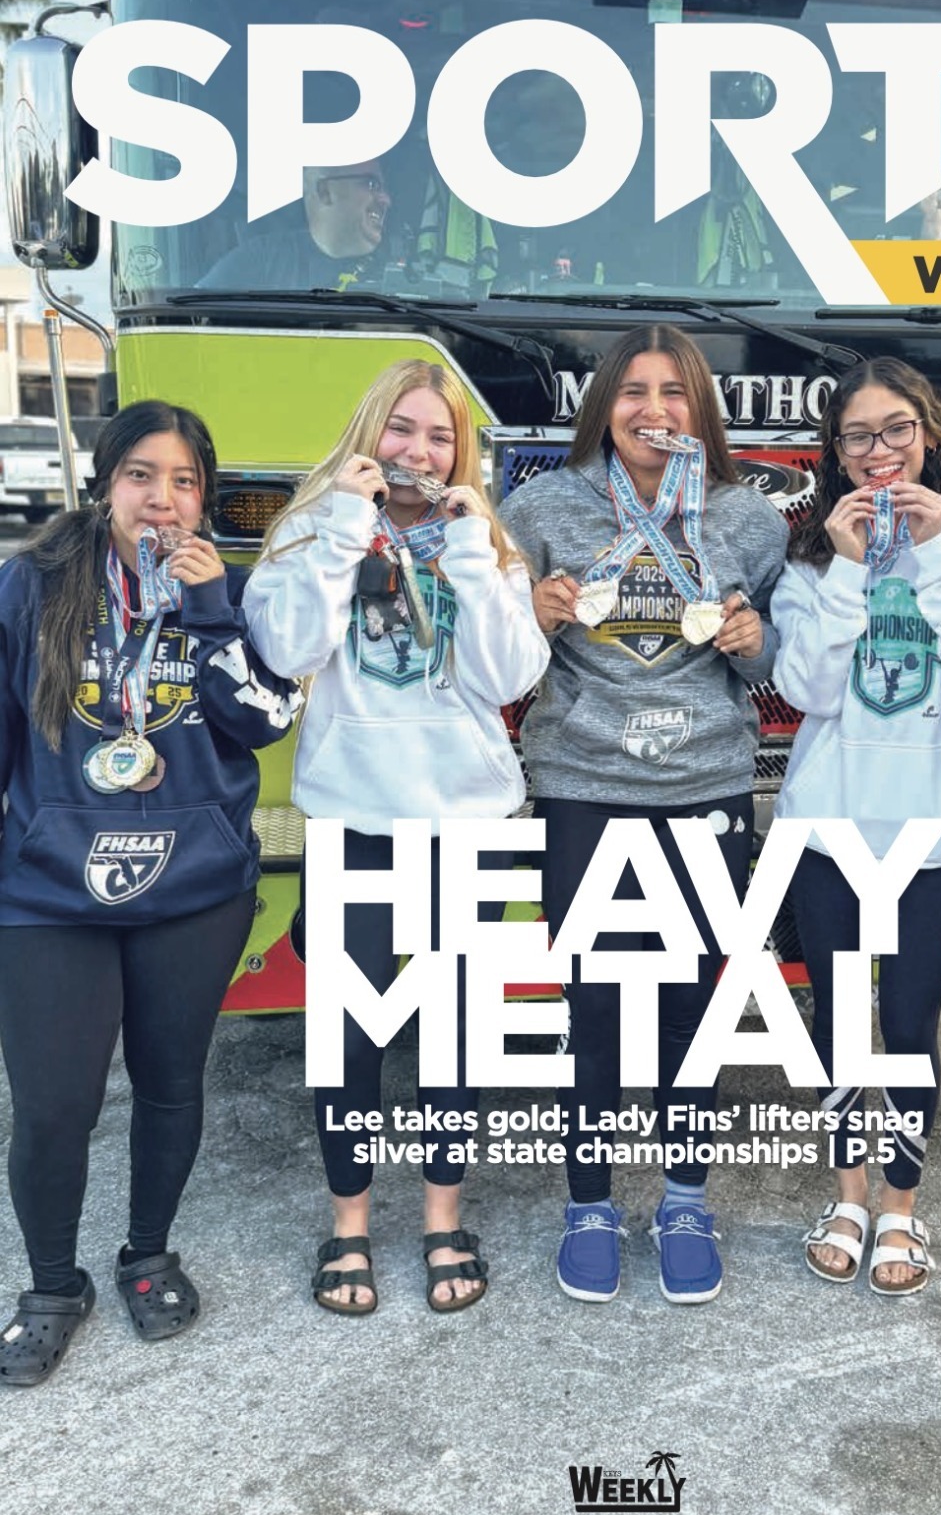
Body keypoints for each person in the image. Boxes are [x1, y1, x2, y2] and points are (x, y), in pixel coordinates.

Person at [0, 402, 303, 1386]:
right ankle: (52, 1285)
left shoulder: (234, 592)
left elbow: (264, 719)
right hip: (51, 888)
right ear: (104, 486)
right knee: (54, 1102)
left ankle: (147, 1254)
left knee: (173, 1082)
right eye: (141, 475)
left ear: (204, 499)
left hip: (193, 887)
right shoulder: (36, 582)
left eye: (183, 481)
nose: (162, 499)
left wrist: (212, 610)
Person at [243, 360, 549, 1316]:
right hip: (356, 819)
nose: (419, 452)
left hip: (468, 822)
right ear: (371, 433)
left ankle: (443, 1218)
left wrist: (466, 542)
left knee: (456, 1034)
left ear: (463, 454)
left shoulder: (484, 546)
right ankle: (350, 1226)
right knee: (351, 1035)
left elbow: (508, 674)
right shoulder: (310, 534)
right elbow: (288, 653)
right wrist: (340, 526)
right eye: (403, 430)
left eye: (441, 436)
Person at [500, 324, 789, 1306]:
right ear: (602, 404)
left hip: (704, 784)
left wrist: (753, 640)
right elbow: (504, 659)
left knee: (692, 1010)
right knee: (593, 1005)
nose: (653, 409)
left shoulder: (749, 519)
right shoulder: (541, 507)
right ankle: (588, 1202)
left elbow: (768, 664)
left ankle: (682, 1198)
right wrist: (528, 616)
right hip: (584, 784)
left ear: (700, 408)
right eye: (633, 390)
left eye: (673, 391)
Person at [771, 358, 941, 1295]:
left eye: (897, 431)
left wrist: (936, 553)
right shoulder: (808, 558)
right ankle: (846, 1195)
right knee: (839, 1023)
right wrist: (844, 565)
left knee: (911, 1025)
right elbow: (806, 689)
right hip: (830, 831)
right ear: (834, 454)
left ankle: (903, 1207)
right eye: (858, 436)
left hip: (933, 833)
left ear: (930, 436)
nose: (880, 453)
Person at [199, 160, 392, 291]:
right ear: (325, 191)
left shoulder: (403, 268)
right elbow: (192, 317)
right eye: (371, 184)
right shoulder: (264, 259)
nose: (385, 200)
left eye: (383, 188)